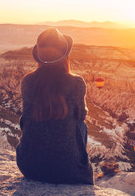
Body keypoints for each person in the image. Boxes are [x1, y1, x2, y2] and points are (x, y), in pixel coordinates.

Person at [16, 28, 94, 184]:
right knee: (82, 126)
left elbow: (25, 119)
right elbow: (80, 116)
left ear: (39, 57)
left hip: (29, 166)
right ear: (65, 56)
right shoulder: (76, 83)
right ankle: (74, 159)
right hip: (67, 170)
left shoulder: (27, 81)